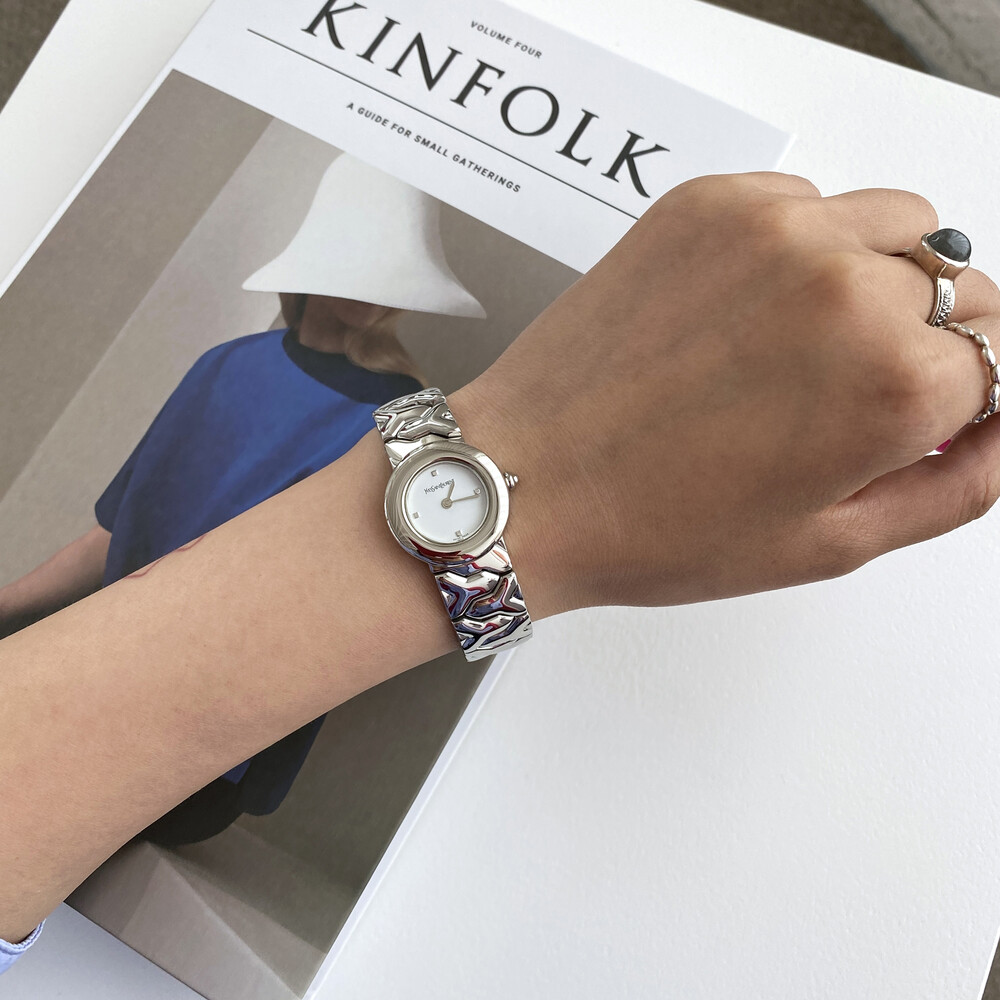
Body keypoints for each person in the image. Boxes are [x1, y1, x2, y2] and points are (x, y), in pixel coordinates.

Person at [2, 171, 999, 971]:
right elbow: (114, 527)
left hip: (154, 740)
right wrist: (535, 500)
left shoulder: (389, 404)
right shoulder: (239, 367)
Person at [0, 153, 486, 847]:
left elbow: (481, 601)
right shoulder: (225, 365)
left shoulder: (414, 421)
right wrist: (8, 605)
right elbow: (119, 538)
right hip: (99, 688)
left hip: (204, 752)